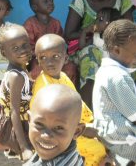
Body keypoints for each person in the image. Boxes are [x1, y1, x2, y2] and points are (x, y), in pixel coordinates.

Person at [30, 34, 113, 166]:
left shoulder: (63, 77)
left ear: (66, 58)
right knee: (96, 150)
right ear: (38, 61)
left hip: (77, 126)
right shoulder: (43, 85)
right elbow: (51, 118)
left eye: (55, 57)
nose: (49, 62)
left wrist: (91, 123)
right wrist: (85, 130)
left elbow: (77, 103)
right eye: (43, 58)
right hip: (60, 133)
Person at [64, 0, 134, 109]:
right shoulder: (81, 1)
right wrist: (93, 28)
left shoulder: (122, 0)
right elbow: (68, 34)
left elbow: (129, 30)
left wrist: (111, 32)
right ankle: (87, 113)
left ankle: (129, 109)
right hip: (87, 46)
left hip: (115, 47)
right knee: (91, 55)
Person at [93, 19, 136, 165]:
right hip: (122, 139)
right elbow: (134, 114)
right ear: (116, 50)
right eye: (135, 53)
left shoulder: (105, 71)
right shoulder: (117, 77)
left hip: (113, 136)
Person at [0, 24, 33, 161]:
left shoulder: (21, 69)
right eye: (15, 48)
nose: (22, 50)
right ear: (4, 53)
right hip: (19, 127)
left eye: (25, 45)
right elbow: (14, 112)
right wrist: (24, 147)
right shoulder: (15, 76)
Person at [23, 0, 77, 84]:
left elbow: (61, 43)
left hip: (56, 58)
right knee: (37, 71)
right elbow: (28, 48)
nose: (50, 3)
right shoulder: (30, 24)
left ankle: (68, 94)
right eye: (46, 1)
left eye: (51, 0)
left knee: (70, 68)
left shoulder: (56, 23)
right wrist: (43, 57)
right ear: (35, 7)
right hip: (38, 59)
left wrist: (59, 56)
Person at [24, 84, 85, 166]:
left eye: (59, 128)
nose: (46, 136)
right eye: (39, 124)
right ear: (29, 119)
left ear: (76, 131)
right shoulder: (70, 153)